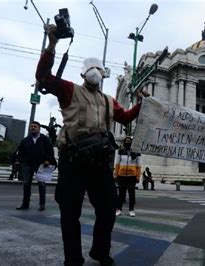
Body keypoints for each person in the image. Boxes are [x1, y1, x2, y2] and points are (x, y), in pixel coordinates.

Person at [36, 24, 148, 265]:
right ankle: (73, 259)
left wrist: (141, 104)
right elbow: (43, 78)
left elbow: (126, 117)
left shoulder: (110, 101)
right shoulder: (69, 90)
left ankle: (100, 251)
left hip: (100, 163)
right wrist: (52, 45)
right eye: (91, 68)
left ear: (104, 74)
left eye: (98, 68)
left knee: (107, 211)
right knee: (70, 212)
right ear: (82, 74)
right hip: (73, 161)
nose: (95, 72)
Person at [15, 121, 56, 211]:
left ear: (39, 128)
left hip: (41, 165)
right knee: (26, 184)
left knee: (41, 184)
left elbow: (50, 152)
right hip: (28, 164)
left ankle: (42, 204)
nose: (33, 128)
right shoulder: (25, 140)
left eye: (35, 126)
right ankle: (25, 204)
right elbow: (20, 152)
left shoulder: (45, 139)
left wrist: (48, 160)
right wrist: (21, 162)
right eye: (31, 126)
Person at [115, 137, 141, 217]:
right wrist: (116, 174)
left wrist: (138, 176)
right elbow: (117, 164)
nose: (127, 142)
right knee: (121, 194)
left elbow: (139, 165)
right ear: (124, 142)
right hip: (121, 175)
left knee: (131, 194)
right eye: (126, 141)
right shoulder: (121, 151)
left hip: (132, 176)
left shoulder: (136, 152)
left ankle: (131, 209)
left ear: (131, 142)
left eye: (129, 141)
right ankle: (118, 209)